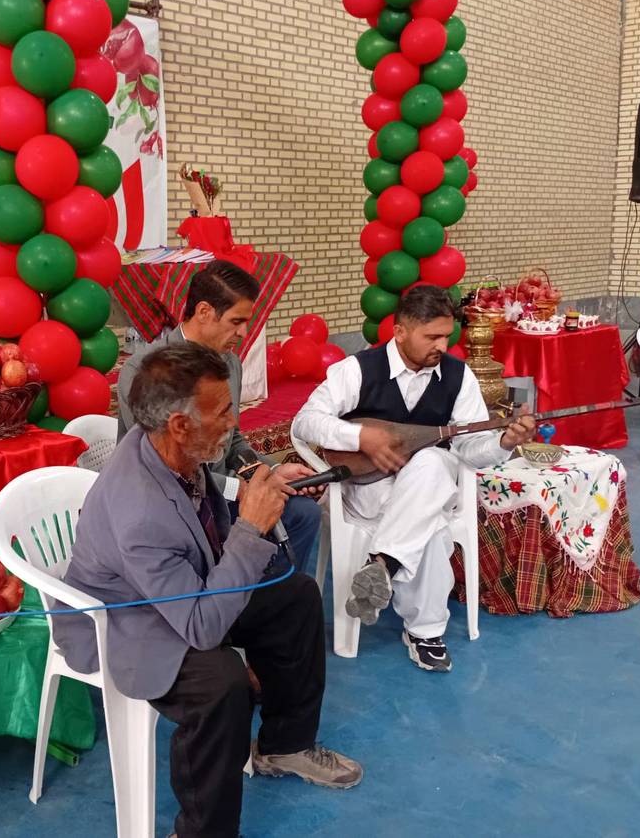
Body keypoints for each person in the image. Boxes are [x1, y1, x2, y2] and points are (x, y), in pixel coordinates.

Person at [54, 344, 361, 838]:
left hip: (179, 593)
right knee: (221, 683)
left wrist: (267, 488)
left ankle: (285, 745)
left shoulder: (172, 449)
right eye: (223, 411)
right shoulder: (141, 511)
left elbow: (208, 537)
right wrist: (250, 530)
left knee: (297, 597)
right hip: (124, 622)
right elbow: (202, 628)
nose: (233, 420)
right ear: (179, 424)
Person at [292, 285, 536, 673]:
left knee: (432, 464)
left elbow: (470, 449)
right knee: (433, 529)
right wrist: (361, 437)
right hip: (369, 489)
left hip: (426, 487)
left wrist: (504, 441)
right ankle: (425, 632)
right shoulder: (358, 369)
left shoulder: (458, 376)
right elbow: (306, 421)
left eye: (446, 335)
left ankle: (383, 566)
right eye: (432, 336)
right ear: (400, 332)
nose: (442, 345)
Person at [117, 260, 324, 574]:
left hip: (221, 491)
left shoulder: (229, 362)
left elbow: (234, 440)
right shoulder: (146, 370)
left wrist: (272, 471)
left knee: (303, 513)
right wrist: (238, 490)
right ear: (203, 312)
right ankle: (235, 602)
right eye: (236, 321)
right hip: (168, 500)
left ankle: (265, 603)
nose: (243, 332)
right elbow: (162, 468)